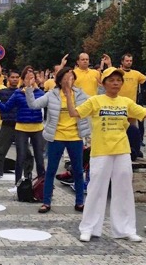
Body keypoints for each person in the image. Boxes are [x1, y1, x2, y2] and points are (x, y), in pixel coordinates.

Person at [65, 67, 146, 243]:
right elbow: (74, 113)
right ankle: (89, 228)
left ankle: (126, 229)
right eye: (112, 80)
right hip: (101, 152)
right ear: (104, 83)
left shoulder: (126, 102)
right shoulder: (95, 101)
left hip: (122, 151)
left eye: (119, 80)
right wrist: (67, 91)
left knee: (124, 190)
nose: (116, 83)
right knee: (96, 189)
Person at [24, 67, 91, 213]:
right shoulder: (52, 95)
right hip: (56, 137)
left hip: (75, 137)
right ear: (60, 80)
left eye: (72, 77)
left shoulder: (80, 94)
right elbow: (33, 105)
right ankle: (46, 202)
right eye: (66, 77)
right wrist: (29, 88)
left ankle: (80, 202)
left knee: (78, 171)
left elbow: (93, 106)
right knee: (51, 171)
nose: (69, 80)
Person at [0, 66, 45, 184]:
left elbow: (49, 109)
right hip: (18, 126)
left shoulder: (40, 93)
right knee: (16, 154)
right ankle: (14, 181)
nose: (30, 80)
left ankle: (40, 182)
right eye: (27, 78)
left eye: (32, 78)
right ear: (23, 80)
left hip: (36, 128)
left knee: (37, 157)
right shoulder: (17, 93)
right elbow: (5, 108)